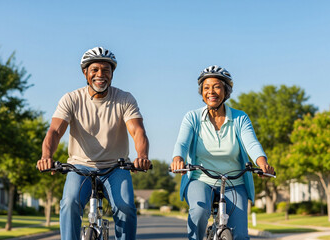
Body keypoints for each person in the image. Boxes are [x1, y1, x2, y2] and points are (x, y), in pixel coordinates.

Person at [36, 47, 151, 240]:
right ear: (85, 73)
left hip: (116, 167)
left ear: (112, 73)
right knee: (69, 203)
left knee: (125, 207)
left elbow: (137, 131)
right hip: (79, 166)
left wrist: (142, 157)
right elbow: (55, 131)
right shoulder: (71, 99)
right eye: (95, 70)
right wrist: (46, 156)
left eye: (106, 70)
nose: (100, 75)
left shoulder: (124, 99)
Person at [170, 65, 275, 240]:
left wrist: (262, 163)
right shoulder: (192, 117)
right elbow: (182, 142)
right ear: (201, 92)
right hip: (201, 179)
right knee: (199, 211)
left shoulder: (240, 118)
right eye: (206, 87)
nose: (211, 91)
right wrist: (177, 159)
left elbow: (252, 143)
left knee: (240, 235)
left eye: (217, 86)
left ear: (226, 91)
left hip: (234, 181)